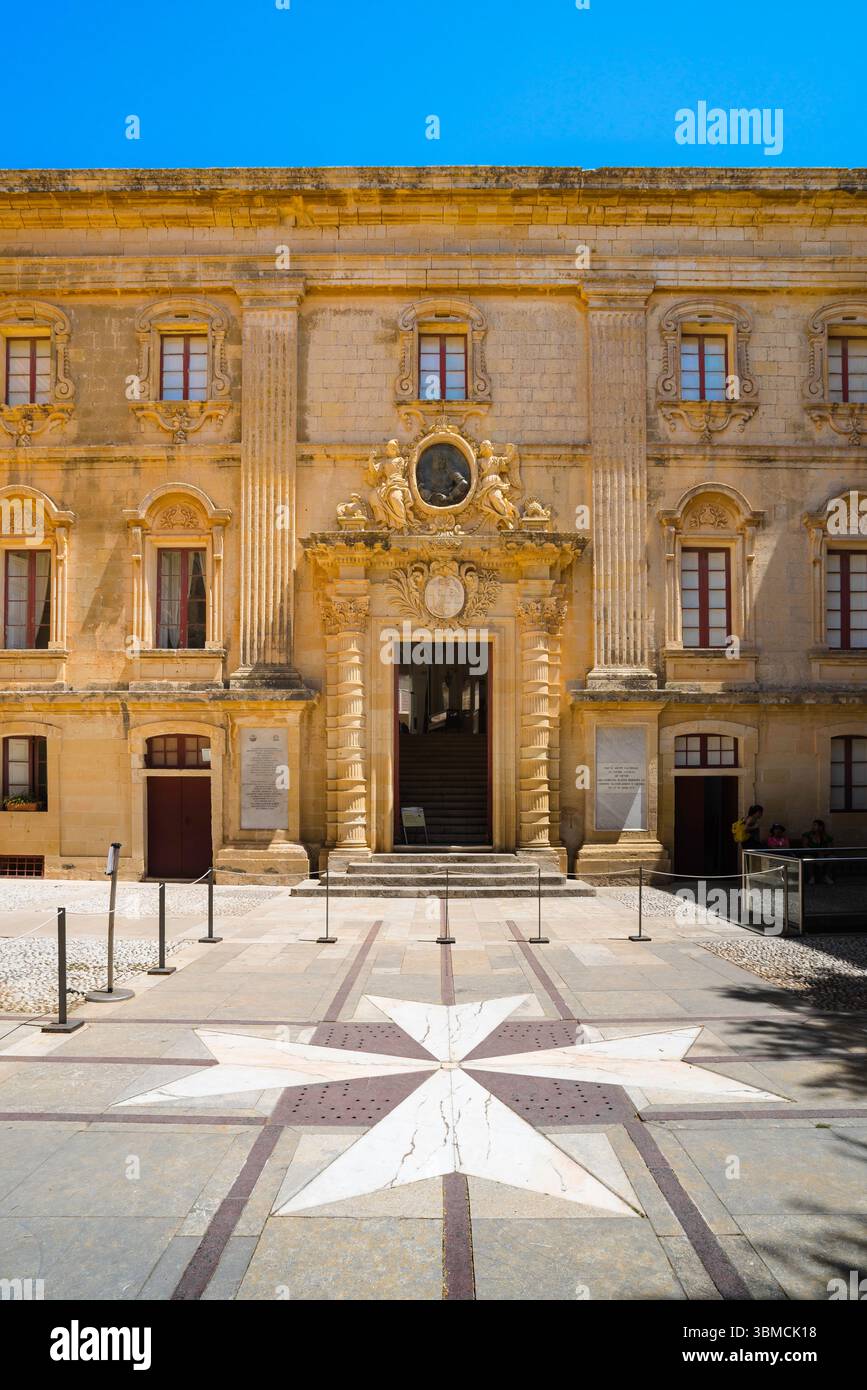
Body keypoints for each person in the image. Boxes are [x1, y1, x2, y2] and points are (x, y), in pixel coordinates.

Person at [802, 819, 834, 884]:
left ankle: (826, 876)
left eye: (815, 825)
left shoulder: (826, 837)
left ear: (821, 827)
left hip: (823, 854)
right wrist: (816, 853)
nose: (813, 827)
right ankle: (811, 877)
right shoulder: (807, 835)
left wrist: (823, 854)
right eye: (813, 825)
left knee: (832, 858)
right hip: (811, 854)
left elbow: (830, 849)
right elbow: (805, 846)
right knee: (808, 859)